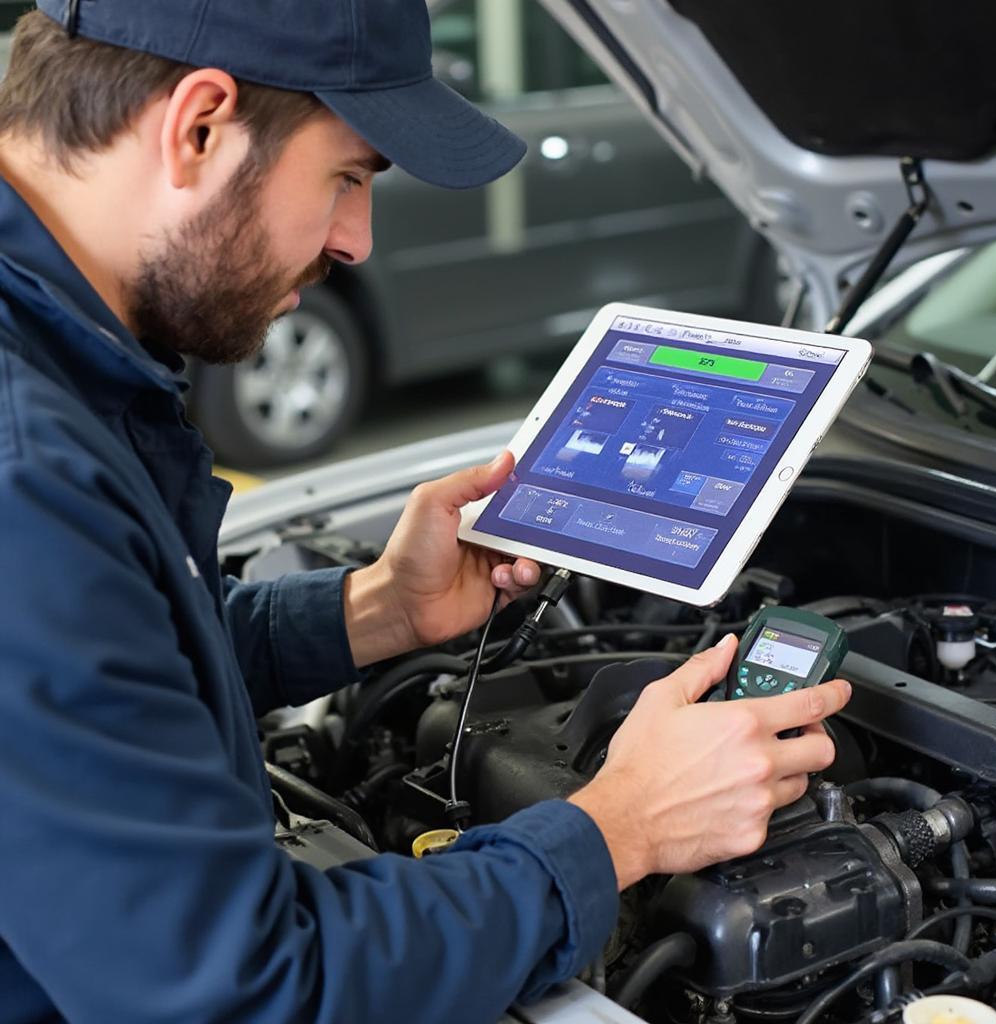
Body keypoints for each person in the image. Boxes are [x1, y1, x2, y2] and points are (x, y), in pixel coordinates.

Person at [0, 2, 852, 1021]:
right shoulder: (26, 469)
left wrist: (370, 612)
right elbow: (242, 991)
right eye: (350, 176)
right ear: (198, 127)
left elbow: (118, 658)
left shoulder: (57, 375)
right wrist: (620, 827)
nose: (357, 240)